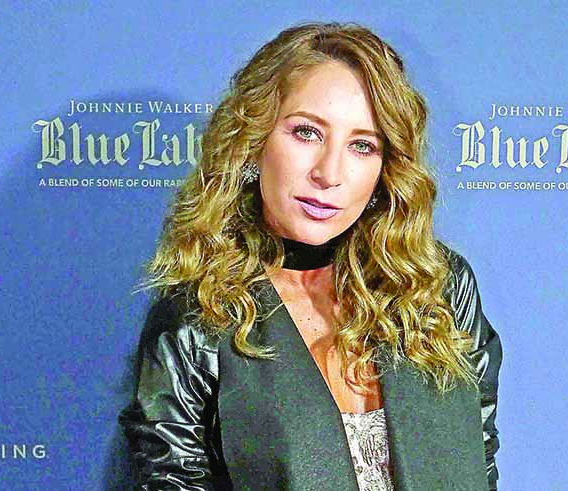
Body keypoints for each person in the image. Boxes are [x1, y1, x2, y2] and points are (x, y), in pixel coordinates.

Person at [118, 21, 502, 491]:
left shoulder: (440, 287)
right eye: (307, 133)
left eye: (362, 145)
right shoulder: (198, 318)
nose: (329, 172)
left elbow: (480, 458)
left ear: (386, 168)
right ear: (253, 141)